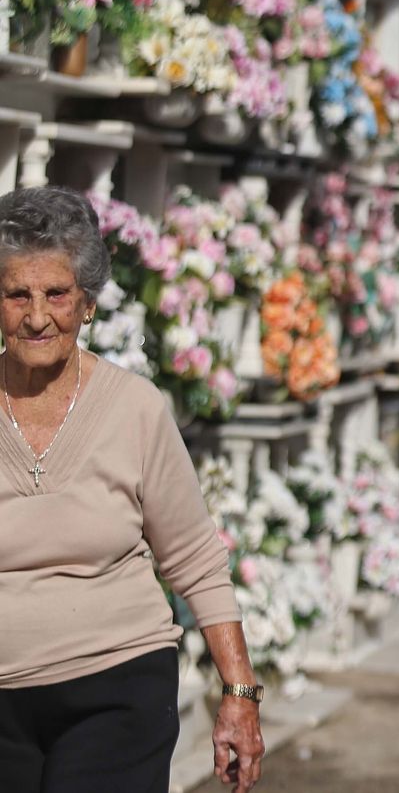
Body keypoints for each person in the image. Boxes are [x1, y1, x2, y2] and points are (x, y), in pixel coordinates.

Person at [0, 186, 264, 793]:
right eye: (17, 295)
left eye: (56, 294)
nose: (37, 316)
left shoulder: (135, 408)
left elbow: (195, 558)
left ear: (87, 303)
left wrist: (239, 693)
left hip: (117, 689)